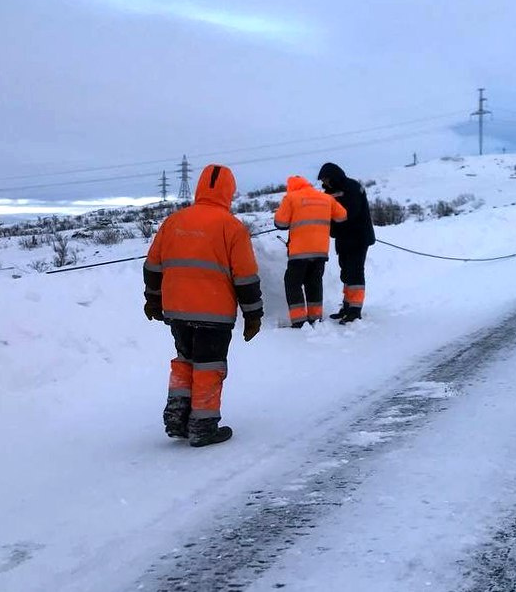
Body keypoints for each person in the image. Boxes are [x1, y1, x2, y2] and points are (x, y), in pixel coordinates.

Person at [143, 164, 262, 447]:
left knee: (185, 361)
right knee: (209, 366)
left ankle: (177, 417)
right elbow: (245, 278)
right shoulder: (232, 227)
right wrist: (253, 315)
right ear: (228, 192)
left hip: (177, 311)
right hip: (214, 313)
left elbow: (152, 267)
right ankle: (203, 426)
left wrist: (153, 299)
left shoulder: (173, 222)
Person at [274, 175, 347, 327]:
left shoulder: (291, 198)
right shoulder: (325, 198)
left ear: (291, 187)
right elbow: (342, 216)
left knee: (292, 284)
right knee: (314, 283)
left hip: (299, 252)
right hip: (320, 251)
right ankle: (315, 318)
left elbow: (280, 223)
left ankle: (299, 322)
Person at [317, 162, 376, 323]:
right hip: (343, 239)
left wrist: (331, 222)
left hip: (358, 237)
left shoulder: (352, 187)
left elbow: (349, 214)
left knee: (355, 272)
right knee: (346, 273)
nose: (325, 183)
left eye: (326, 179)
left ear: (333, 176)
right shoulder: (329, 192)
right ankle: (347, 306)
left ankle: (355, 310)